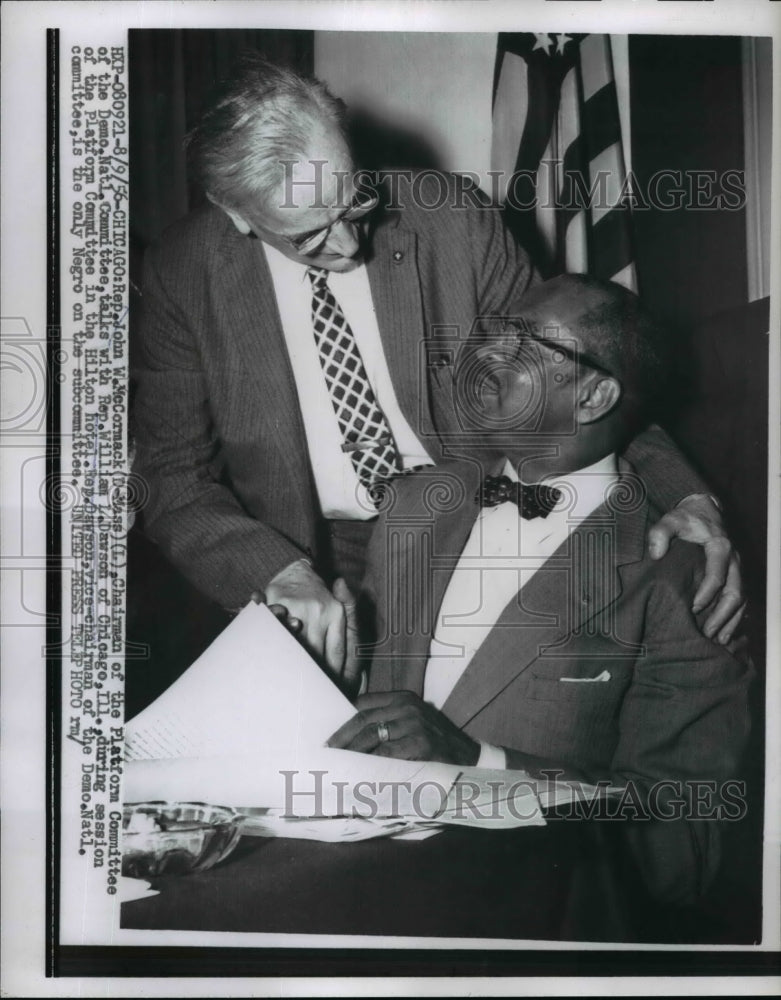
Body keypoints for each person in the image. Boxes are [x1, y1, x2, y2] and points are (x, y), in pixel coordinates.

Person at [132, 54, 743, 677]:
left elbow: (577, 374)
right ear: (234, 212)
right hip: (309, 553)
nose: (347, 245)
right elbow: (172, 474)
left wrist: (688, 493)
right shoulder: (185, 275)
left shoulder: (451, 219)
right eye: (308, 237)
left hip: (477, 526)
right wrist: (275, 571)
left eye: (353, 202)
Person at [328, 275, 752, 905]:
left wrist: (480, 764)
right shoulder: (414, 506)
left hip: (513, 920)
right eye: (497, 328)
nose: (486, 352)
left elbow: (683, 840)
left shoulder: (680, 575)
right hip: (342, 885)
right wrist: (321, 673)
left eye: (523, 342)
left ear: (594, 395)